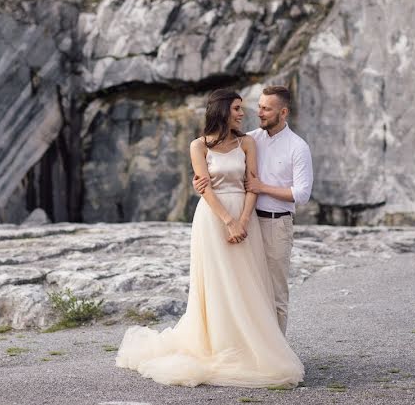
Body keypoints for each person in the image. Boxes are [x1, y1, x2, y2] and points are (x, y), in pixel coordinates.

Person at [115, 89, 304, 388]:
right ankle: (219, 347)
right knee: (215, 285)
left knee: (248, 283)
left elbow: (251, 184)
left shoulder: (248, 142)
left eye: (243, 109)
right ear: (222, 111)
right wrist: (228, 222)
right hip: (212, 220)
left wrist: (242, 221)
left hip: (246, 218)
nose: (243, 113)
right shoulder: (198, 146)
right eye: (237, 108)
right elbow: (204, 188)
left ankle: (255, 348)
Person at [194, 85, 312, 334]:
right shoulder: (250, 137)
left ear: (283, 112)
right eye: (259, 107)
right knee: (247, 290)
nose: (258, 113)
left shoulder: (297, 147)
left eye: (266, 109)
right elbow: (223, 163)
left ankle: (277, 352)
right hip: (247, 222)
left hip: (275, 223)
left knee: (275, 293)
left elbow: (302, 194)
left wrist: (262, 187)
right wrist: (199, 182)